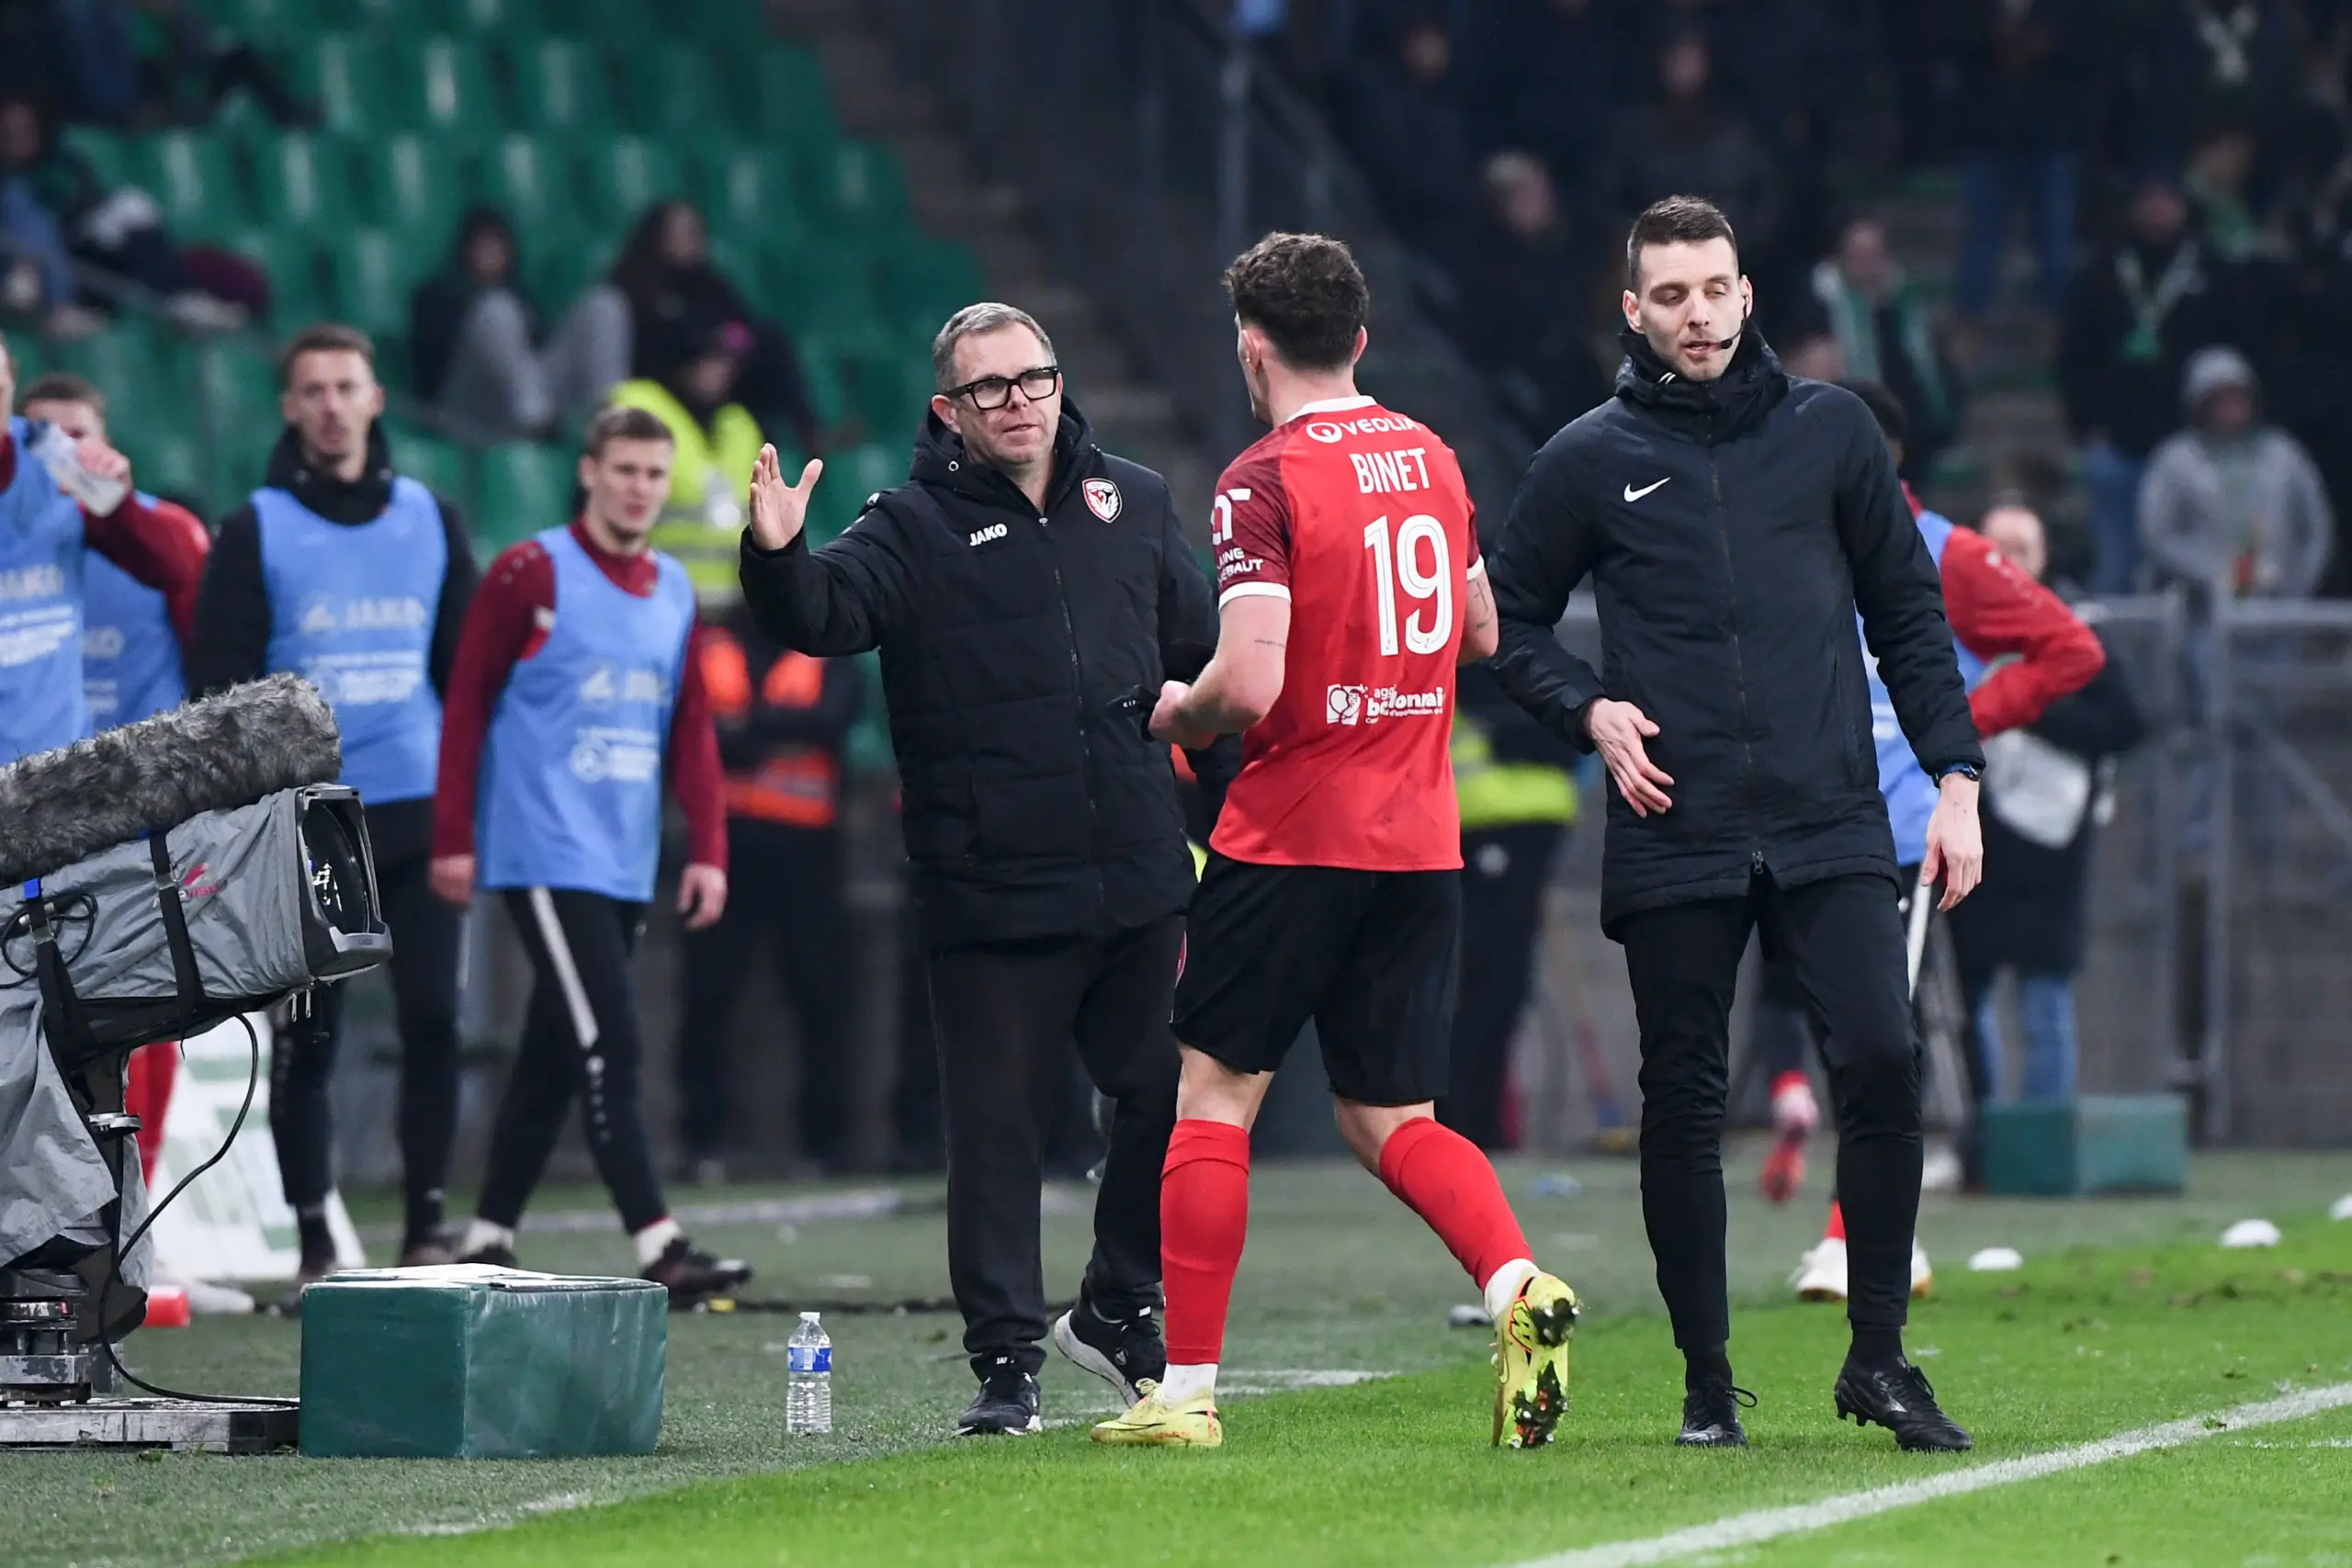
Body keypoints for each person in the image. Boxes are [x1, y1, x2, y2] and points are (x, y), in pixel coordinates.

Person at [1483, 196, 1984, 1453]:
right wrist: (1589, 709)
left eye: (1716, 291)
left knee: (1881, 1057)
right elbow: (1508, 623)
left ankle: (1878, 1356)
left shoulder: (1831, 435)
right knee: (1684, 1103)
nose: (1697, 314)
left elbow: (1912, 616)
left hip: (1829, 814)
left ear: (1747, 296)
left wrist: (1958, 775)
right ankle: (1709, 1387)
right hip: (1677, 821)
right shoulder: (1588, 455)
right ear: (1634, 308)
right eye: (1672, 295)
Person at [1091, 231, 1579, 1452]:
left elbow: (1247, 682)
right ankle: (1517, 1282)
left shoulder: (1262, 479)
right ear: (1360, 338)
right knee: (1392, 1113)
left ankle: (1186, 1389)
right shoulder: (1433, 454)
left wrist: (1177, 707)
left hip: (1294, 829)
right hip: (1418, 838)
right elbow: (1477, 630)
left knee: (1214, 1094)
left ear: (1251, 346)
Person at [740, 302, 1224, 1437]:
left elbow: (1205, 671)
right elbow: (822, 617)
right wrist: (773, 555)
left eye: (1033, 379)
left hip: (1140, 872)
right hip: (991, 883)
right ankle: (1006, 1364)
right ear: (947, 412)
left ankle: (1116, 1302)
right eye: (990, 388)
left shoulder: (1139, 503)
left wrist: (1249, 818)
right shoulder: (906, 526)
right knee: (998, 1134)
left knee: (1170, 1090)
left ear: (1061, 383)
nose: (1018, 402)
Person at [1757, 385, 2102, 1289]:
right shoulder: (1784, 546)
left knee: (1875, 1037)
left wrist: (1960, 723)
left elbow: (2070, 650)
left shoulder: (1951, 553)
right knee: (1824, 1025)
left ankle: (1855, 1238)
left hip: (1901, 829)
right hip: (1797, 816)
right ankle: (1874, 1230)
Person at [429, 404, 748, 1303]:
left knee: (557, 1048)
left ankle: (488, 1232)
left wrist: (707, 848)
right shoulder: (530, 572)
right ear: (588, 472)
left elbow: (689, 727)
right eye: (625, 471)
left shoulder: (676, 589)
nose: (641, 489)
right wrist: (454, 835)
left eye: (654, 474)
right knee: (610, 1037)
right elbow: (465, 704)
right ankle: (660, 1243)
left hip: (622, 857)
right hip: (542, 849)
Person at [188, 322, 479, 1283]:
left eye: (345, 386)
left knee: (435, 1018)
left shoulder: (431, 518)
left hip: (421, 805)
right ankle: (315, 1236)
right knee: (310, 1037)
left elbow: (466, 677)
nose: (329, 404)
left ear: (375, 398)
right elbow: (219, 688)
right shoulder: (255, 527)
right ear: (289, 407)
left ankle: (427, 1224)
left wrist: (468, 812)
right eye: (310, 389)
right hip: (309, 820)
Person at [1949, 503, 2145, 1109]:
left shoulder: (2075, 628)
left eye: (2023, 548)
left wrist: (2026, 705)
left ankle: (2042, 1139)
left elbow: (2124, 723)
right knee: (1968, 993)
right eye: (1997, 547)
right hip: (1973, 829)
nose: (2010, 561)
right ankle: (1984, 1134)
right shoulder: (1951, 627)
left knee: (2045, 994)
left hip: (2052, 837)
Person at [673, 596, 865, 1180]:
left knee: (821, 998)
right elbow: (688, 729)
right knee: (706, 998)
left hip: (807, 856)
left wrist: (744, 731)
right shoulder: (707, 646)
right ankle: (701, 1143)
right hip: (721, 852)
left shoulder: (829, 642)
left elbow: (835, 720)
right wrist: (775, 733)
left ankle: (824, 1145)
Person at [2058, 173, 2228, 594]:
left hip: (2192, 451)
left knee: (2191, 572)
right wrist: (2087, 427)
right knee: (2116, 567)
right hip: (2117, 444)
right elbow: (2073, 355)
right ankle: (2112, 660)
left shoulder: (2211, 270)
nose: (2158, 211)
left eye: (2166, 199)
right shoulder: (2100, 271)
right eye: (2148, 200)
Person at [1442, 661, 1577, 1151]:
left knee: (1497, 983)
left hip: (1517, 816)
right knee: (1487, 983)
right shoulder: (1486, 647)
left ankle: (1474, 1123)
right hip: (1489, 814)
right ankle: (1466, 1124)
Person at [2138, 345, 2333, 602]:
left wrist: (2300, 583)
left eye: (2238, 398)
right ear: (2199, 405)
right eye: (2219, 401)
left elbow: (2317, 526)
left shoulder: (2284, 453)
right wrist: (2210, 574)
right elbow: (2157, 534)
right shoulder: (2176, 459)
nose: (2231, 410)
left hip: (2282, 601)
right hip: (2203, 605)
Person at [1949, 0, 2093, 321]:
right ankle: (1969, 325)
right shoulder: (1977, 11)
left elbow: (2087, 55)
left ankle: (2059, 328)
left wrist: (2038, 44)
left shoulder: (2068, 10)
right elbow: (1956, 45)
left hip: (2052, 138)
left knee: (2056, 244)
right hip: (1988, 136)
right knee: (1981, 241)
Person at [1808, 214, 1961, 483]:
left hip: (1914, 440)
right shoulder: (1820, 311)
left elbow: (1935, 374)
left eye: (1874, 255)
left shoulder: (1907, 308)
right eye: (1859, 256)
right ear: (1841, 259)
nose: (1868, 265)